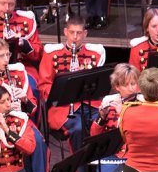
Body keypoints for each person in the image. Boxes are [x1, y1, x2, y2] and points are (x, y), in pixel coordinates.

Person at [36, 17, 107, 147]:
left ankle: (96, 162)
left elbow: (99, 83)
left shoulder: (95, 54)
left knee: (104, 122)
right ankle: (79, 166)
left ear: (85, 34)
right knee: (78, 128)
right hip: (62, 107)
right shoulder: (52, 54)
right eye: (72, 32)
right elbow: (44, 85)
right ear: (65, 32)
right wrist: (63, 92)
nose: (75, 37)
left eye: (79, 33)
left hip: (90, 104)